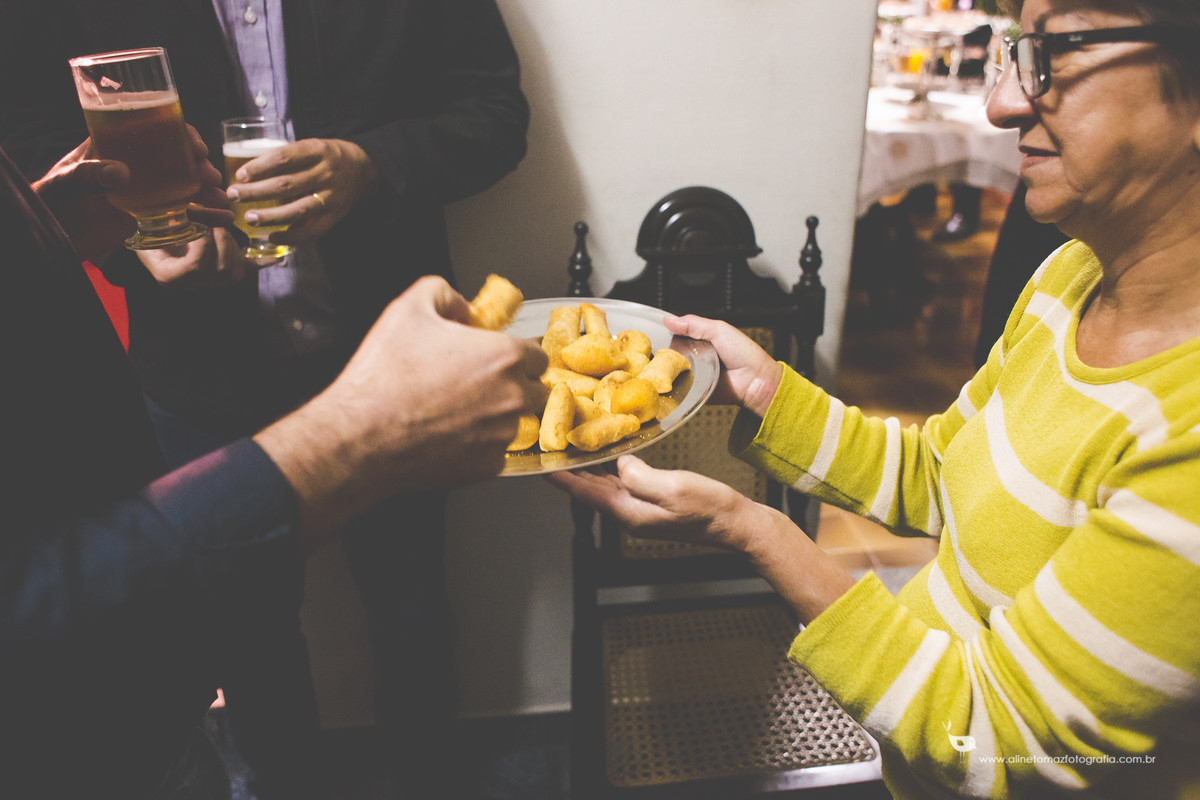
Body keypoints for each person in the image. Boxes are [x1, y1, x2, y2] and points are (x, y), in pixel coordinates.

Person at [550, 0, 1200, 797]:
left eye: (1057, 52)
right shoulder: (1070, 278)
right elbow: (939, 474)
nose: (1001, 103)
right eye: (1016, 51)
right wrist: (769, 393)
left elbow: (998, 737)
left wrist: (756, 531)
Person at [0, 2, 530, 795]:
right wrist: (135, 235)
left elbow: (495, 113)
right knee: (247, 637)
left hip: (392, 346)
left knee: (413, 606)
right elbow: (26, 132)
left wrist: (373, 163)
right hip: (189, 372)